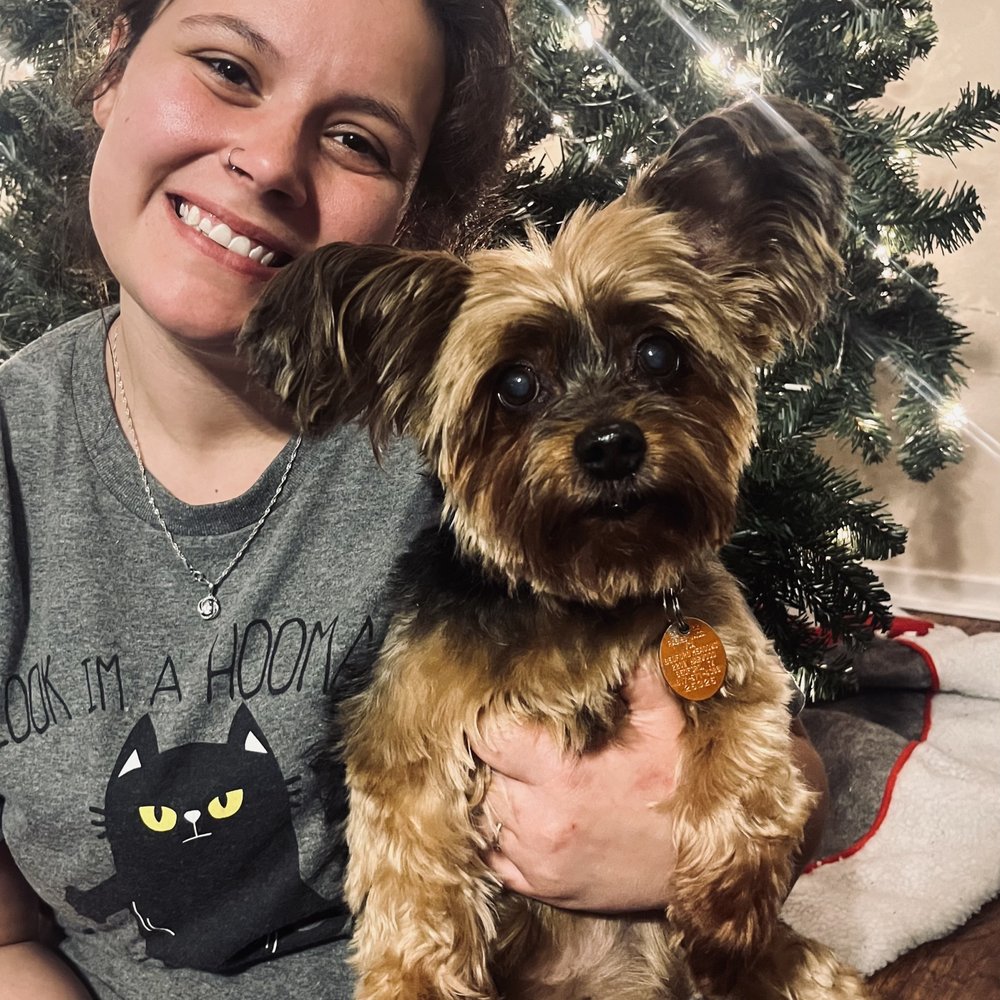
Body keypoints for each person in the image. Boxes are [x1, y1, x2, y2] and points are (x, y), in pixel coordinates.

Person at [0, 0, 828, 997]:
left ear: (415, 206)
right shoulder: (19, 461)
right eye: (227, 67)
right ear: (114, 66)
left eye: (358, 138)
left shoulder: (467, 448)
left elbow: (751, 723)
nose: (268, 163)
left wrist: (691, 837)